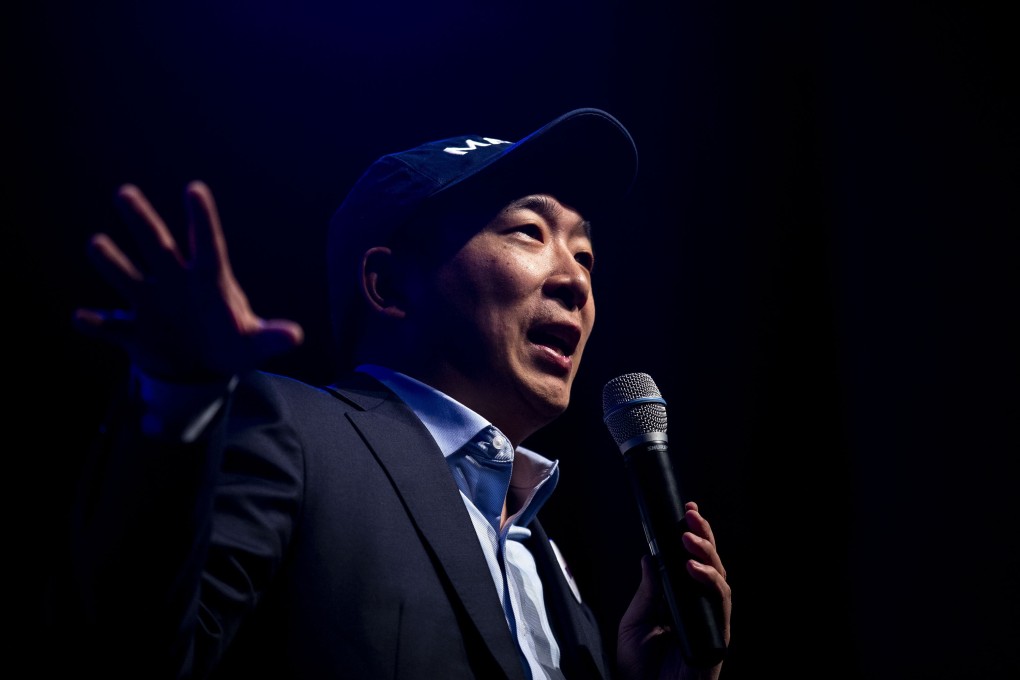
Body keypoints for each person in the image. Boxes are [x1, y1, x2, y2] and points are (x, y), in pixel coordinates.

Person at [59, 107, 731, 679]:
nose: (577, 281)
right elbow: (139, 651)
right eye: (530, 231)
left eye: (585, 256)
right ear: (389, 286)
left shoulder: (548, 563)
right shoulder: (292, 432)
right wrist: (179, 395)